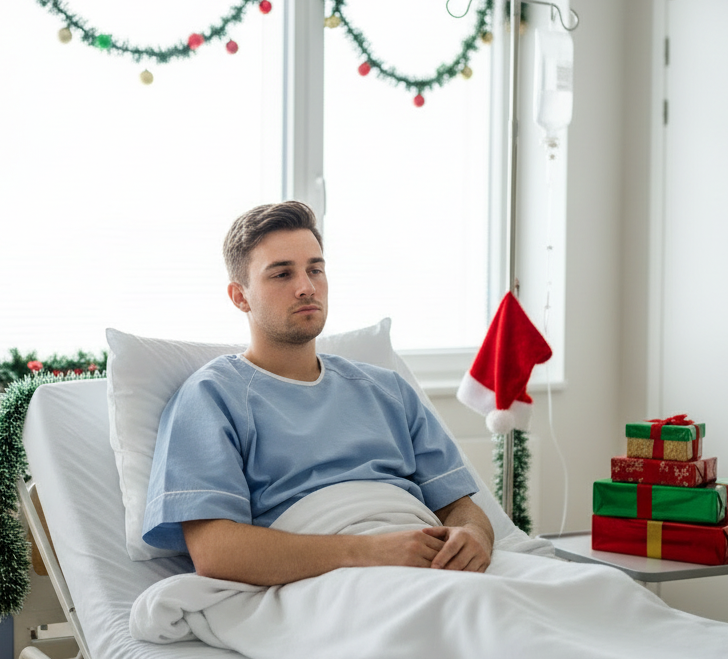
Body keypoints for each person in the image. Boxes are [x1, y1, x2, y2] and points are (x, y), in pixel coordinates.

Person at [141, 201, 494, 585]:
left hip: (429, 559)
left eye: (315, 269)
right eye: (281, 274)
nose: (306, 287)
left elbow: (460, 507)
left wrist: (473, 536)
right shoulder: (210, 397)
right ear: (239, 296)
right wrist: (370, 553)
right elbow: (216, 552)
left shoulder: (387, 389)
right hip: (325, 578)